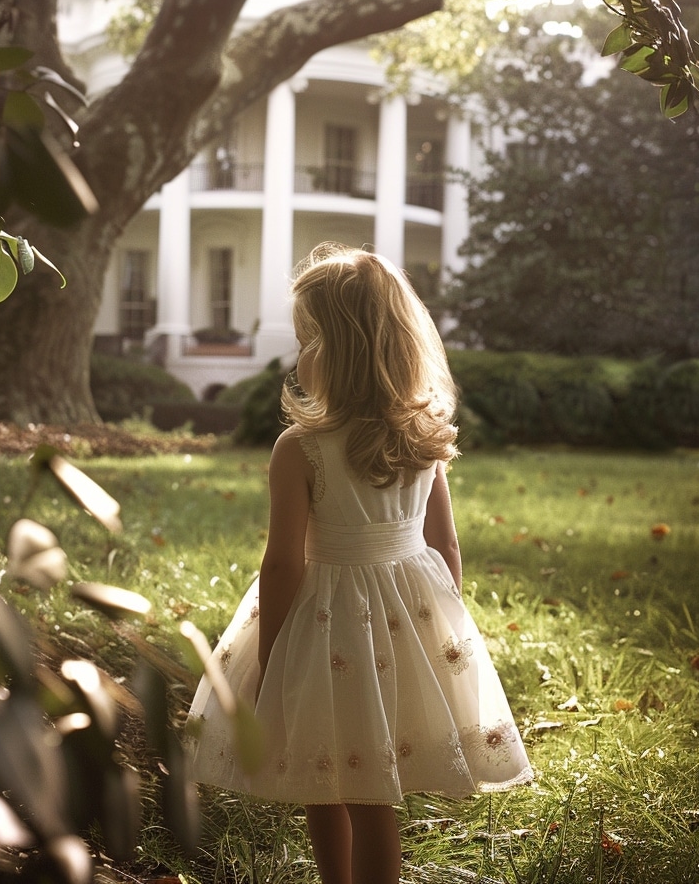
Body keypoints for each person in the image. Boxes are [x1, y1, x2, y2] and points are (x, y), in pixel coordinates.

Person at [185, 243, 533, 884]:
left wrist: (271, 652)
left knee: (329, 776)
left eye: (307, 339)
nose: (298, 355)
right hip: (407, 614)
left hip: (324, 623)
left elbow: (285, 563)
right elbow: (446, 546)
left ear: (337, 350)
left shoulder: (302, 449)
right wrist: (442, 630)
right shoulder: (422, 436)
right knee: (374, 790)